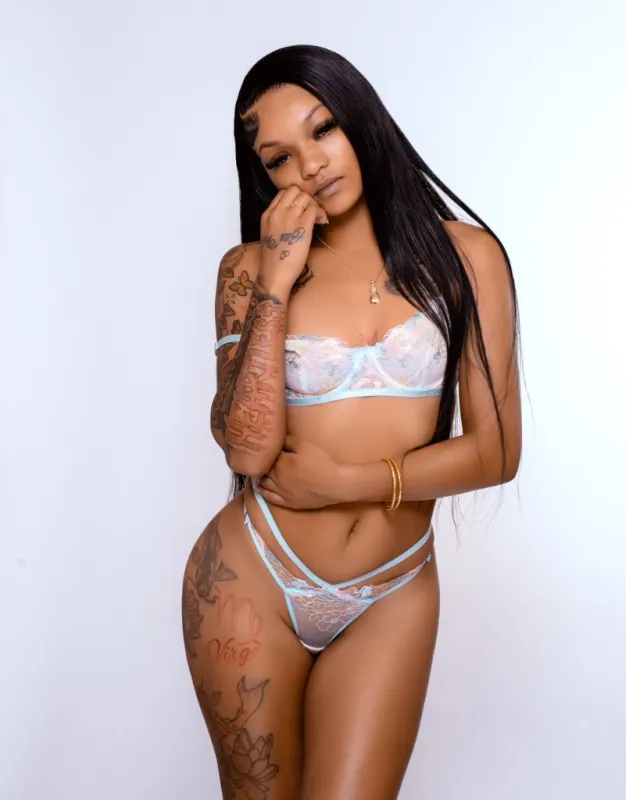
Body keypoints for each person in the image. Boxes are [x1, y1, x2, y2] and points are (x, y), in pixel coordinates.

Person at [181, 43, 522, 800]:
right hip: (253, 578)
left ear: (360, 120)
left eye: (324, 128)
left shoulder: (467, 257)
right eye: (278, 159)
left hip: (393, 591)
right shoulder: (246, 270)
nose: (309, 165)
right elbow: (247, 450)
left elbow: (496, 451)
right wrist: (276, 278)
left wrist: (345, 481)